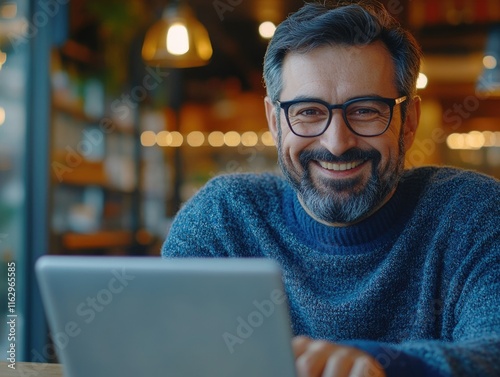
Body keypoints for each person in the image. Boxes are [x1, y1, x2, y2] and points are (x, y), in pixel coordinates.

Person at [162, 1, 500, 376]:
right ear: (275, 122)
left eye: (365, 110)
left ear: (408, 121)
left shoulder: (472, 215)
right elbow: (160, 352)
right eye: (308, 112)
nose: (337, 143)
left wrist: (377, 366)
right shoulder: (223, 220)